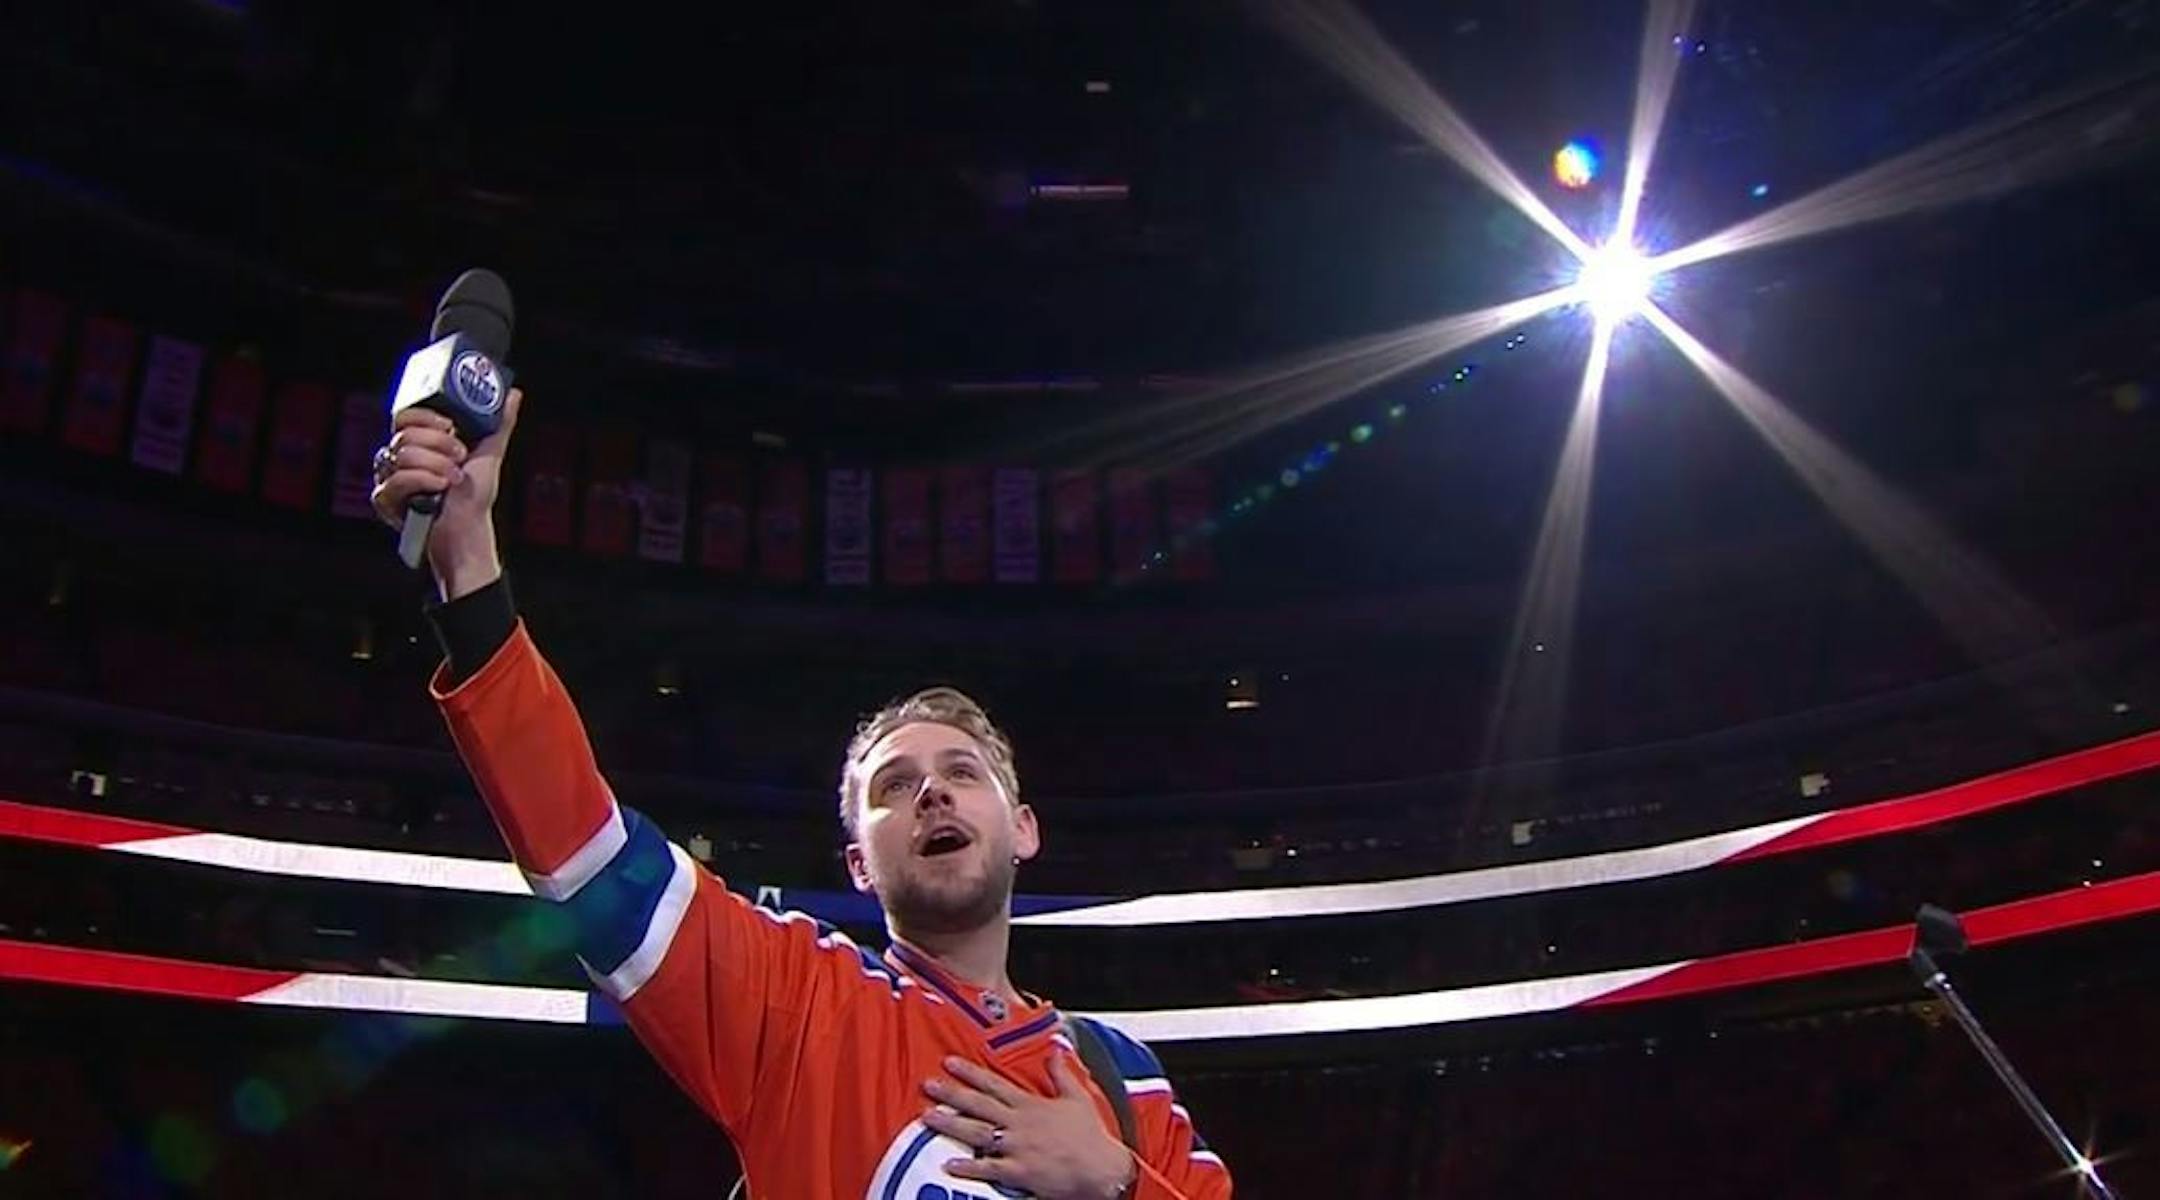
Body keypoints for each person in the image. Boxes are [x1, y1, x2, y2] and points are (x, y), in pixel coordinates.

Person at [370, 390, 1231, 1199]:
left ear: (1025, 829)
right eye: (896, 787)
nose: (932, 792)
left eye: (963, 773)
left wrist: (1116, 1181)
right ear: (859, 863)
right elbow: (589, 855)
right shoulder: (798, 1002)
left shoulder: (1126, 1082)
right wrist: (470, 568)